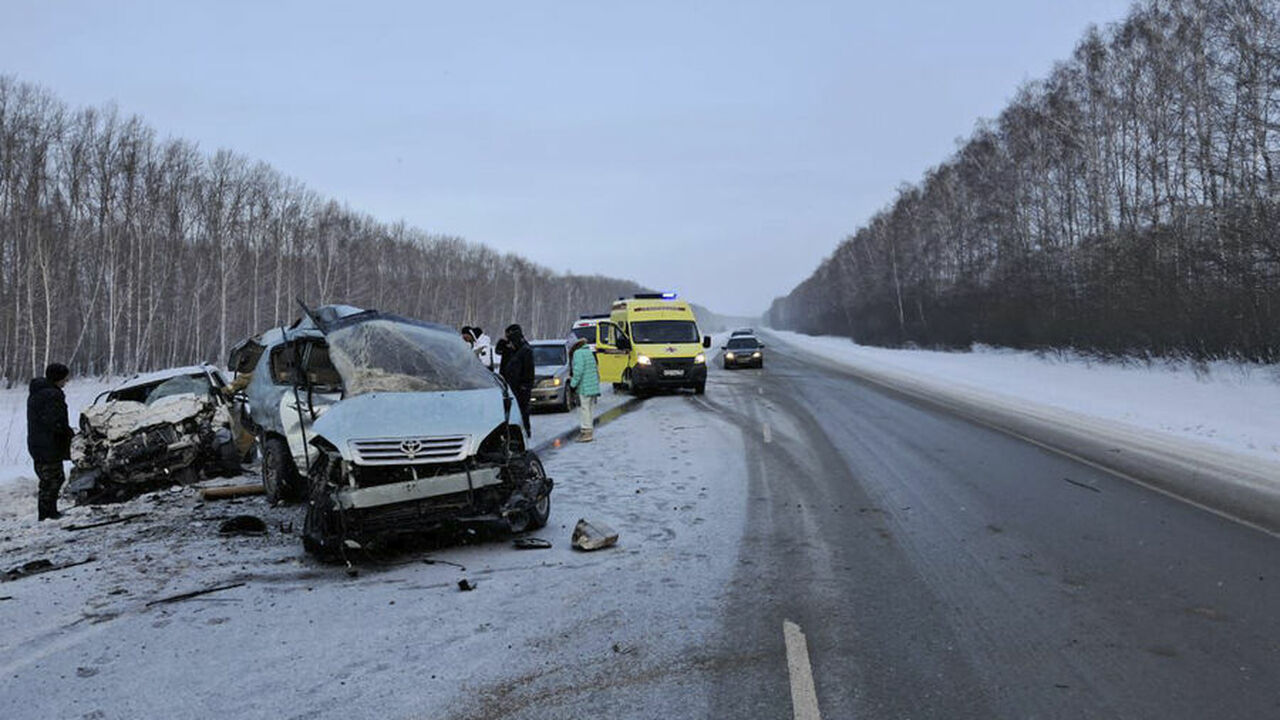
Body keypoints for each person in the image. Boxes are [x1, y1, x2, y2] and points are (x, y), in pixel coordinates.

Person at [27, 363, 73, 521]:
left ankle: (48, 512)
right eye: (64, 379)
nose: (66, 382)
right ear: (57, 378)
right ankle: (47, 514)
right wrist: (68, 434)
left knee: (50, 479)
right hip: (48, 445)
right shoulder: (51, 395)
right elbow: (55, 422)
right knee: (53, 479)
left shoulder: (39, 392)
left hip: (39, 444)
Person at [497, 324, 535, 436]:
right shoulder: (509, 349)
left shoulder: (524, 350)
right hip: (509, 384)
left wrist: (526, 384)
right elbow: (498, 351)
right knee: (511, 409)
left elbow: (529, 369)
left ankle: (525, 431)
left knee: (522, 409)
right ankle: (513, 432)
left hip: (521, 386)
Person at [569, 337, 600, 442]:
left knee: (584, 409)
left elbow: (578, 371)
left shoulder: (578, 353)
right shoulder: (588, 352)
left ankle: (586, 432)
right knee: (590, 409)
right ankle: (589, 431)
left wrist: (573, 384)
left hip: (584, 386)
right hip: (592, 385)